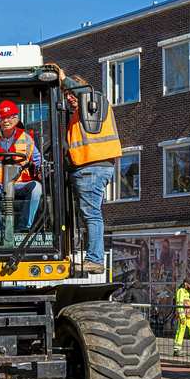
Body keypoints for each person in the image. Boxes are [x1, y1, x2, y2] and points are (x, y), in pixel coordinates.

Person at [62, 74, 120, 274]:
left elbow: (84, 93)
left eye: (70, 92)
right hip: (89, 168)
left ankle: (94, 259)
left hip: (92, 167)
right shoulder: (78, 116)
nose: (68, 97)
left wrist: (62, 77)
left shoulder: (93, 104)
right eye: (66, 94)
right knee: (90, 214)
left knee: (92, 214)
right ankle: (92, 257)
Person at [0, 99, 43, 240]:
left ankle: (24, 228)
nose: (6, 120)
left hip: (19, 183)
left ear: (16, 118)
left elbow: (38, 160)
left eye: (9, 117)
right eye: (2, 117)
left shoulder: (27, 138)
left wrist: (41, 169)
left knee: (37, 188)